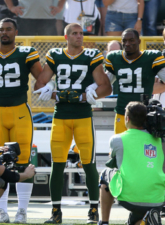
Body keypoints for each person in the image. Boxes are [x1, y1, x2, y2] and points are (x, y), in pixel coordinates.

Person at [34, 23, 112, 224]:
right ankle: (55, 211)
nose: (79, 36)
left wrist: (85, 96)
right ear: (66, 36)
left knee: (89, 165)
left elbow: (106, 87)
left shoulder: (92, 55)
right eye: (75, 33)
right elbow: (39, 84)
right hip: (60, 117)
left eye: (81, 33)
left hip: (83, 117)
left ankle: (94, 210)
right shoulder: (55, 55)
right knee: (57, 166)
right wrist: (53, 91)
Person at [0, 18, 42, 223]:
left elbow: (41, 79)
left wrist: (48, 89)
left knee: (23, 162)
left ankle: (22, 211)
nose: (4, 32)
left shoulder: (26, 52)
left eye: (8, 29)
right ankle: (2, 211)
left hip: (20, 112)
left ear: (15, 31)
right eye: (0, 29)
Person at [98, 101, 164, 225]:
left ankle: (104, 222)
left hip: (130, 197)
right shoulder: (159, 139)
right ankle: (147, 220)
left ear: (127, 118)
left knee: (105, 174)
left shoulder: (117, 139)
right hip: (157, 198)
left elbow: (113, 162)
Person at [104, 28, 165, 135]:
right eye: (124, 40)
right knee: (120, 148)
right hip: (122, 112)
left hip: (144, 114)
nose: (127, 44)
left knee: (144, 149)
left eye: (131, 40)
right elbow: (105, 83)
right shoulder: (115, 58)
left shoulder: (151, 57)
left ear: (139, 41)